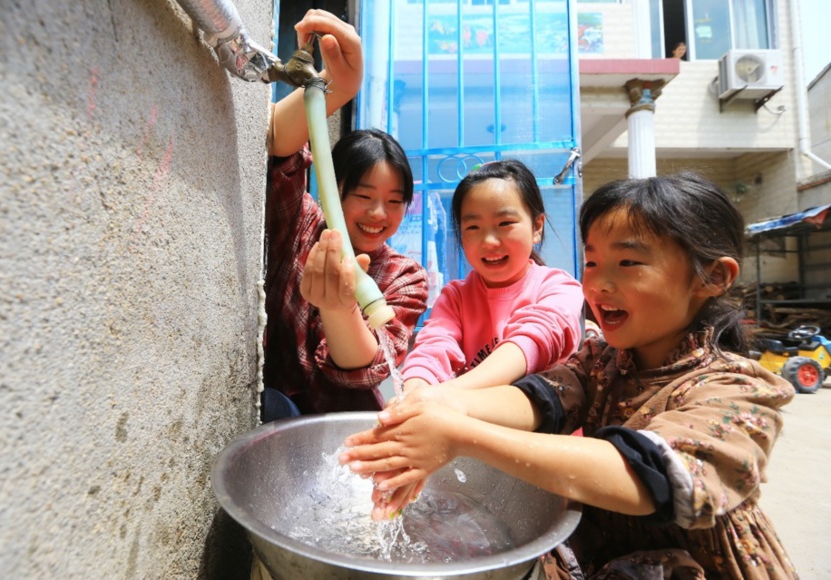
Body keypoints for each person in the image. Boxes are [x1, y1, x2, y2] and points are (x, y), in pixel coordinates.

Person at [339, 172, 798, 578]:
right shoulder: (601, 360)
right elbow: (537, 399)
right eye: (593, 262)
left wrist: (459, 434)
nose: (597, 284)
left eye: (628, 263)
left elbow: (646, 478)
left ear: (712, 278)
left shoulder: (740, 391)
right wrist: (433, 405)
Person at [262, 10, 428, 421]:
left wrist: (339, 309)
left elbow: (371, 370)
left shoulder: (406, 277)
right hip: (268, 411)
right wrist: (336, 87)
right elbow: (274, 147)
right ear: (334, 188)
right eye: (364, 195)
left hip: (343, 438)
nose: (379, 213)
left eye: (394, 201)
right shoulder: (302, 224)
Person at [401, 160, 583, 394]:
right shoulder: (456, 297)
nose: (489, 241)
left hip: (543, 428)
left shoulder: (559, 288)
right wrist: (415, 391)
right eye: (473, 227)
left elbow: (533, 341)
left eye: (505, 223)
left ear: (537, 227)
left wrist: (442, 394)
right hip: (472, 424)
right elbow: (432, 350)